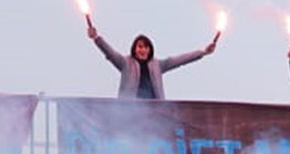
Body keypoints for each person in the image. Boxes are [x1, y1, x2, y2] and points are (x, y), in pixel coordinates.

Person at [86, 13, 217, 100]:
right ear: (134, 49)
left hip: (155, 109)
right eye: (140, 46)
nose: (142, 50)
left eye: (146, 47)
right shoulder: (125, 63)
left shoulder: (158, 65)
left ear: (150, 50)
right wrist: (96, 38)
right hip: (129, 109)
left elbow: (181, 59)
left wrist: (203, 52)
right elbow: (109, 52)